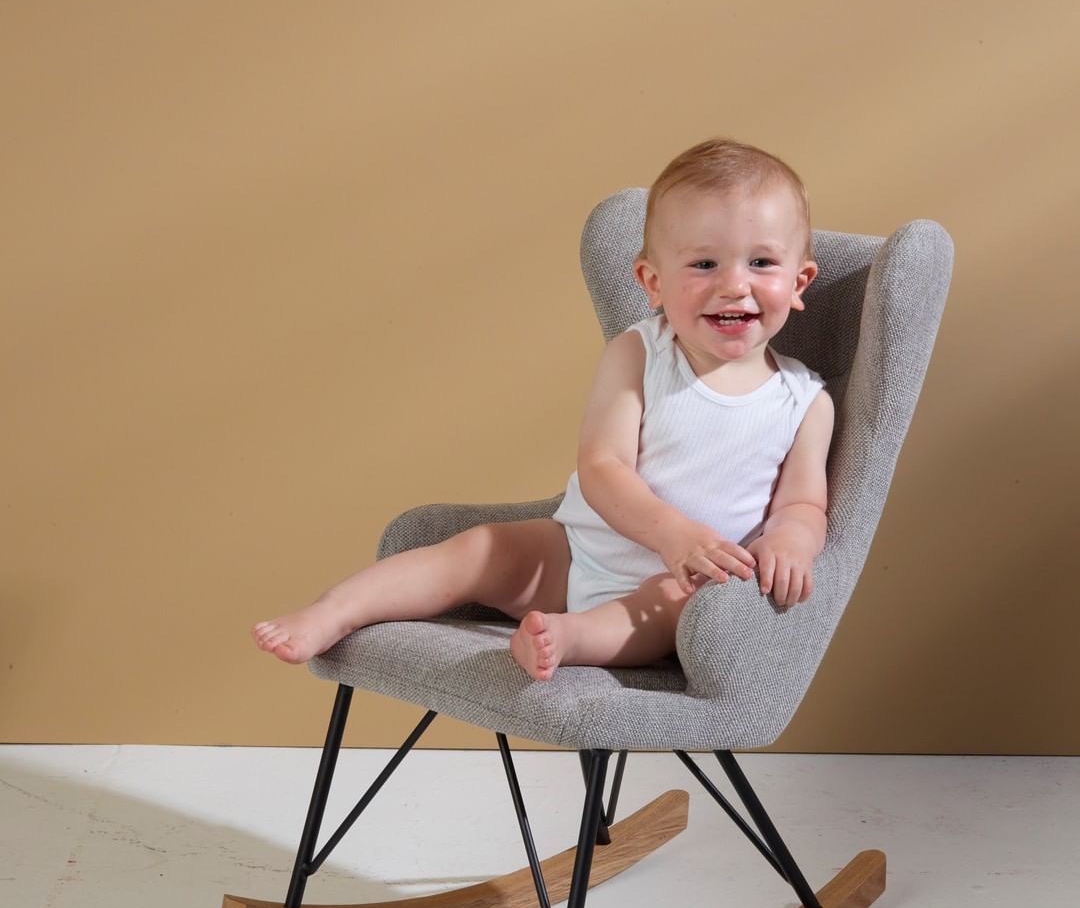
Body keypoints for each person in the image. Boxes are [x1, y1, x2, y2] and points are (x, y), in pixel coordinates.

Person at [253, 138, 833, 681]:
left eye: (761, 263)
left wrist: (791, 542)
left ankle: (567, 638)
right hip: (575, 552)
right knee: (481, 548)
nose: (734, 285)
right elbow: (602, 467)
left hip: (682, 584)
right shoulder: (639, 353)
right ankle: (335, 611)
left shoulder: (804, 401)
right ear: (652, 282)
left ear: (799, 281)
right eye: (704, 265)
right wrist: (673, 533)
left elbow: (803, 504)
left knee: (670, 604)